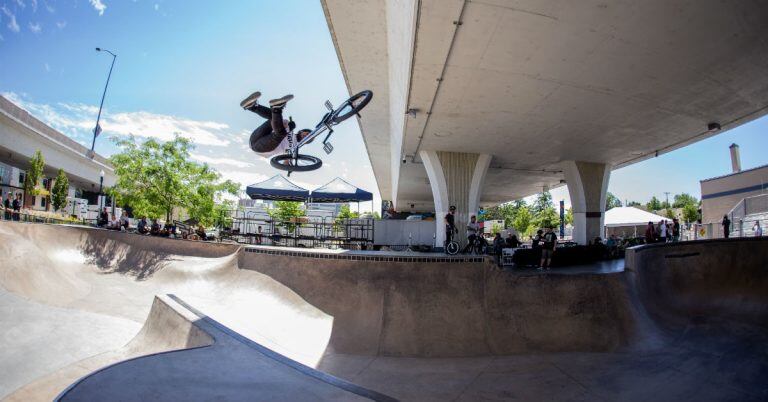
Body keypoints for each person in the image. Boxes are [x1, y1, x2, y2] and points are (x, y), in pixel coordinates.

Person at [241, 91, 313, 157]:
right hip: (254, 138)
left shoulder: (295, 147)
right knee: (274, 117)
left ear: (306, 141)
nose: (306, 135)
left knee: (280, 134)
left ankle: (277, 108)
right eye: (307, 133)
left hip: (261, 149)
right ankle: (251, 106)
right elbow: (279, 123)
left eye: (308, 137)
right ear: (302, 131)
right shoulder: (291, 131)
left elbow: (288, 160)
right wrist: (288, 125)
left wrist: (289, 167)